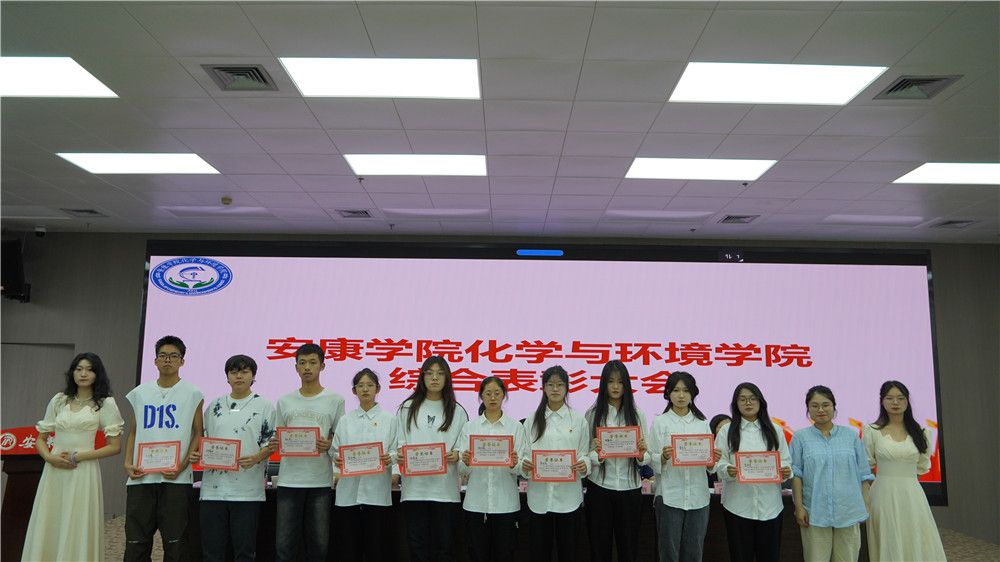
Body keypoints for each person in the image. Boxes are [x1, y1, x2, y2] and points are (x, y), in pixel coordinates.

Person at [22, 352, 124, 562]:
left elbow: (114, 447)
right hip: (54, 471)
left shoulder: (105, 403)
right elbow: (40, 439)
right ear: (72, 373)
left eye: (89, 369)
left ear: (97, 374)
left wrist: (79, 456)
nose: (83, 374)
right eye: (79, 369)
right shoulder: (59, 400)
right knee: (50, 519)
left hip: (83, 471)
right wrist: (50, 458)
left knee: (77, 520)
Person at [123, 335, 204, 562]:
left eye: (174, 356)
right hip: (141, 478)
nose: (168, 360)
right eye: (163, 356)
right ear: (155, 361)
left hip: (176, 480)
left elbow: (198, 432)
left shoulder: (193, 393)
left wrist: (182, 466)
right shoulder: (140, 393)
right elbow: (133, 432)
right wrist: (127, 463)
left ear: (182, 361)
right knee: (136, 542)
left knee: (176, 543)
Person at [188, 355, 276, 562]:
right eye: (234, 372)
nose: (239, 376)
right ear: (227, 377)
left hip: (247, 491)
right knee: (212, 551)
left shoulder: (264, 406)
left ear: (253, 376)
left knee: (244, 551)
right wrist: (196, 453)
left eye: (244, 372)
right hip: (213, 490)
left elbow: (272, 443)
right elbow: (203, 439)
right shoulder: (215, 406)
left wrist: (257, 457)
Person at [272, 343, 346, 562]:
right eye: (302, 363)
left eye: (313, 362)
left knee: (319, 546)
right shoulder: (284, 401)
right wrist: (277, 442)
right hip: (289, 481)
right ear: (296, 367)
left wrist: (329, 444)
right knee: (284, 546)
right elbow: (278, 436)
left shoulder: (335, 400)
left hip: (320, 481)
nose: (307, 367)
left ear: (322, 366)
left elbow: (340, 439)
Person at [395, 356, 469, 562]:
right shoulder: (407, 407)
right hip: (414, 490)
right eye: (429, 373)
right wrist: (401, 453)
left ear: (447, 378)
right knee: (417, 546)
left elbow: (463, 447)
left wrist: (457, 454)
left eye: (440, 373)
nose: (435, 378)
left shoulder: (457, 410)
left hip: (444, 491)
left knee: (444, 547)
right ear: (422, 377)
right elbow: (399, 441)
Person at [862, 380, 946, 561]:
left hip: (912, 494)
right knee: (889, 538)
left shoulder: (921, 432)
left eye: (901, 398)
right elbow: (866, 465)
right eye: (890, 398)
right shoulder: (871, 431)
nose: (895, 402)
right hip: (882, 494)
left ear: (907, 401)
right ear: (882, 401)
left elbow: (922, 466)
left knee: (915, 536)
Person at [789, 386, 873, 562]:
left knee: (847, 558)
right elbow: (796, 475)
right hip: (814, 511)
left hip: (849, 510)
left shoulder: (851, 436)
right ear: (808, 410)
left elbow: (864, 474)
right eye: (815, 406)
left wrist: (865, 506)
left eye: (826, 405)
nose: (821, 410)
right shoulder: (800, 438)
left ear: (834, 407)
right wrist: (799, 507)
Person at [648, 371, 721, 562]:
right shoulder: (660, 422)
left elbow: (710, 466)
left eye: (686, 391)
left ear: (693, 394)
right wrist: (662, 457)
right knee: (668, 553)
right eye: (676, 390)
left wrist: (712, 461)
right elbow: (650, 458)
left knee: (694, 553)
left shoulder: (702, 423)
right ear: (668, 393)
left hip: (698, 497)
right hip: (669, 496)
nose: (681, 395)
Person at [715, 382, 793, 562]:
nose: (748, 403)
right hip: (737, 505)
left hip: (770, 506)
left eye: (752, 398)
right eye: (742, 399)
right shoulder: (726, 431)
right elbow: (719, 463)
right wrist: (728, 470)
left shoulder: (775, 429)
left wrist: (785, 470)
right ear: (736, 404)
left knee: (770, 557)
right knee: (740, 557)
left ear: (760, 402)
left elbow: (786, 460)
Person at [520, 365, 590, 562]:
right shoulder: (532, 420)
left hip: (569, 499)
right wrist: (524, 465)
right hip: (539, 498)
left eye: (560, 385)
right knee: (539, 553)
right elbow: (524, 454)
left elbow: (584, 453)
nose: (555, 389)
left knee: (568, 553)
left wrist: (584, 464)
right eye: (550, 385)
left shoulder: (578, 420)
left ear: (567, 388)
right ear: (543, 388)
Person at [584, 360, 650, 562]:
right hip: (599, 488)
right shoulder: (592, 414)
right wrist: (596, 453)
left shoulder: (637, 414)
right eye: (610, 381)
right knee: (599, 548)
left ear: (626, 385)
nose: (615, 386)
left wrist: (641, 454)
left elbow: (646, 455)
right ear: (603, 384)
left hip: (630, 489)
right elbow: (587, 455)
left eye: (620, 382)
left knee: (628, 549)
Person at [331, 368, 398, 562]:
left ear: (378, 389)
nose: (365, 389)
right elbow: (335, 450)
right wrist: (337, 459)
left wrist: (390, 458)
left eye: (370, 385)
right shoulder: (345, 420)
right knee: (349, 549)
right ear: (354, 391)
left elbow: (396, 450)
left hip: (377, 492)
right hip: (348, 493)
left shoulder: (390, 420)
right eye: (360, 386)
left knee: (375, 548)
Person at [459, 376, 528, 562]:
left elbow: (523, 467)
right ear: (481, 396)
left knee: (505, 555)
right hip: (476, 504)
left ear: (504, 395)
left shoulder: (516, 427)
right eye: (488, 393)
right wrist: (465, 461)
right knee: (477, 555)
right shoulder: (469, 427)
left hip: (506, 504)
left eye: (497, 393)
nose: (492, 397)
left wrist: (514, 464)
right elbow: (461, 469)